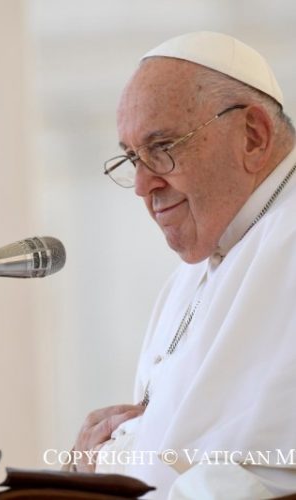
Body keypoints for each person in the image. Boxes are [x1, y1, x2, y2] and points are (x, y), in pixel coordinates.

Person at [69, 32, 296, 499]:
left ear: (253, 136)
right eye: (132, 158)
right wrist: (103, 461)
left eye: (162, 147)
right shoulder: (190, 275)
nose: (142, 185)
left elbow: (268, 479)